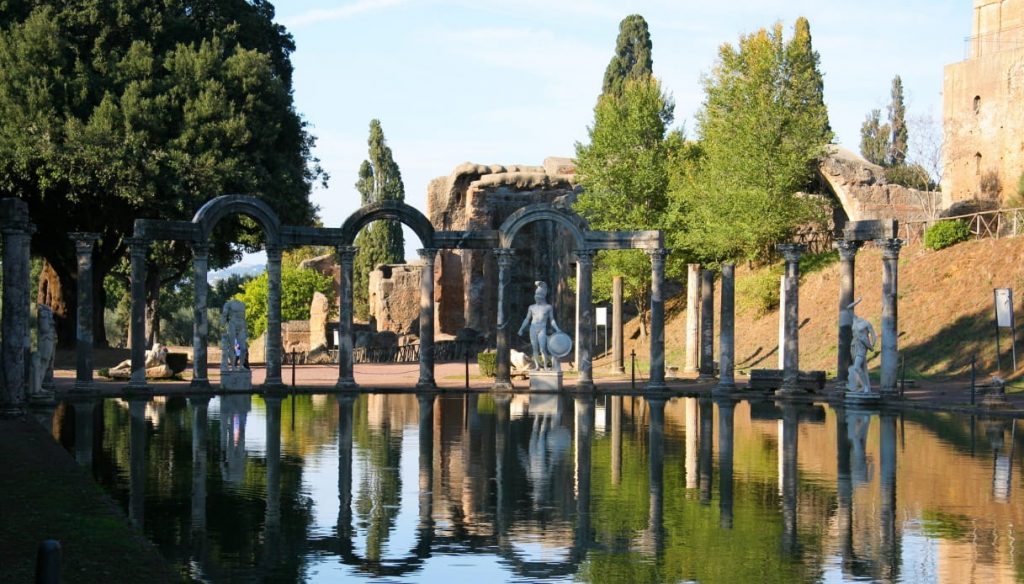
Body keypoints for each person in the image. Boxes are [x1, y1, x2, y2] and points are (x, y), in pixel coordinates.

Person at [517, 281, 562, 371]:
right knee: (534, 349)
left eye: (539, 298)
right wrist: (521, 329)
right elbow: (527, 319)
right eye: (536, 297)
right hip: (533, 328)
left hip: (542, 328)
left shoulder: (548, 307)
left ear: (542, 297)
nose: (537, 299)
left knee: (542, 349)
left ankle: (545, 366)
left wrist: (557, 329)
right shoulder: (531, 307)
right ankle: (537, 366)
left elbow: (552, 320)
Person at [846, 299, 876, 393]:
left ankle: (866, 387)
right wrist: (857, 301)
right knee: (860, 368)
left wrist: (872, 344)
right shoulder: (855, 321)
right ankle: (864, 387)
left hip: (862, 347)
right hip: (854, 346)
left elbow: (873, 335)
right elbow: (848, 308)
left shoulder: (866, 323)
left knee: (856, 367)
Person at [221, 299, 248, 370]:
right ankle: (233, 366)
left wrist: (246, 329)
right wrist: (222, 325)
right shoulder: (228, 303)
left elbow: (244, 317)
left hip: (241, 325)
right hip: (232, 324)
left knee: (243, 348)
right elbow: (224, 314)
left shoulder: (242, 304)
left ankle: (241, 366)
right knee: (232, 347)